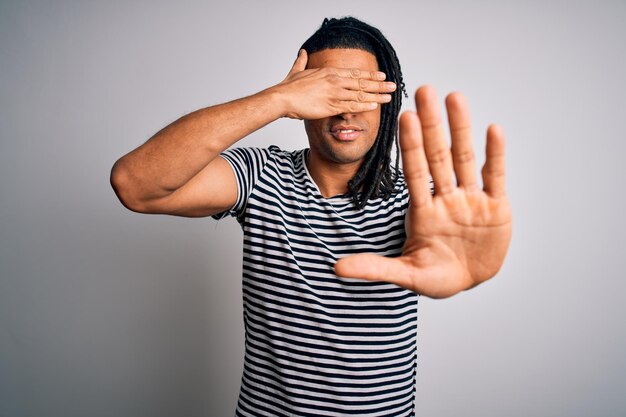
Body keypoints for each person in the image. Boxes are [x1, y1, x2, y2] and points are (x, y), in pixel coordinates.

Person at [111, 16, 512, 417]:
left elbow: (435, 233)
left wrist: (466, 263)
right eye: (330, 91)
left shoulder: (418, 200)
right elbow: (135, 183)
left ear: (387, 100)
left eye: (360, 92)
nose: (345, 111)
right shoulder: (261, 176)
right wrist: (276, 99)